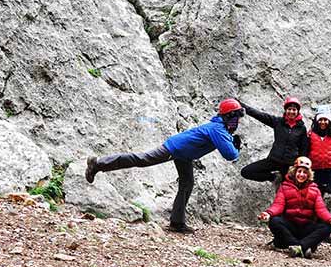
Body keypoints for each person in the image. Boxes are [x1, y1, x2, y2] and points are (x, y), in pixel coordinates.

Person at [83, 99, 244, 234]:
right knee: (142, 159)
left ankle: (177, 223)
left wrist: (232, 143)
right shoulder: (218, 129)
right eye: (236, 117)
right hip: (174, 149)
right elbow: (230, 155)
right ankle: (97, 163)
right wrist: (235, 147)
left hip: (183, 154)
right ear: (229, 116)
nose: (237, 122)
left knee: (187, 183)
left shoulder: (220, 128)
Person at [258, 156, 331, 258]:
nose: (302, 174)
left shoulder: (315, 190)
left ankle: (298, 247)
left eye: (305, 172)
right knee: (274, 221)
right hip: (290, 227)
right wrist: (268, 213)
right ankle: (303, 247)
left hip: (306, 228)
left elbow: (321, 210)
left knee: (327, 227)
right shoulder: (284, 187)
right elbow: (278, 205)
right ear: (294, 172)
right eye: (299, 171)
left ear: (309, 174)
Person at [239, 97, 309, 185]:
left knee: (286, 192)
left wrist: (300, 166)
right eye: (289, 109)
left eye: (294, 109)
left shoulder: (302, 128)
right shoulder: (278, 122)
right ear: (285, 110)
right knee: (246, 171)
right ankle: (274, 177)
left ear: (298, 111)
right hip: (273, 160)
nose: (291, 112)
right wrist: (241, 105)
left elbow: (304, 149)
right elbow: (260, 115)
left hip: (289, 165)